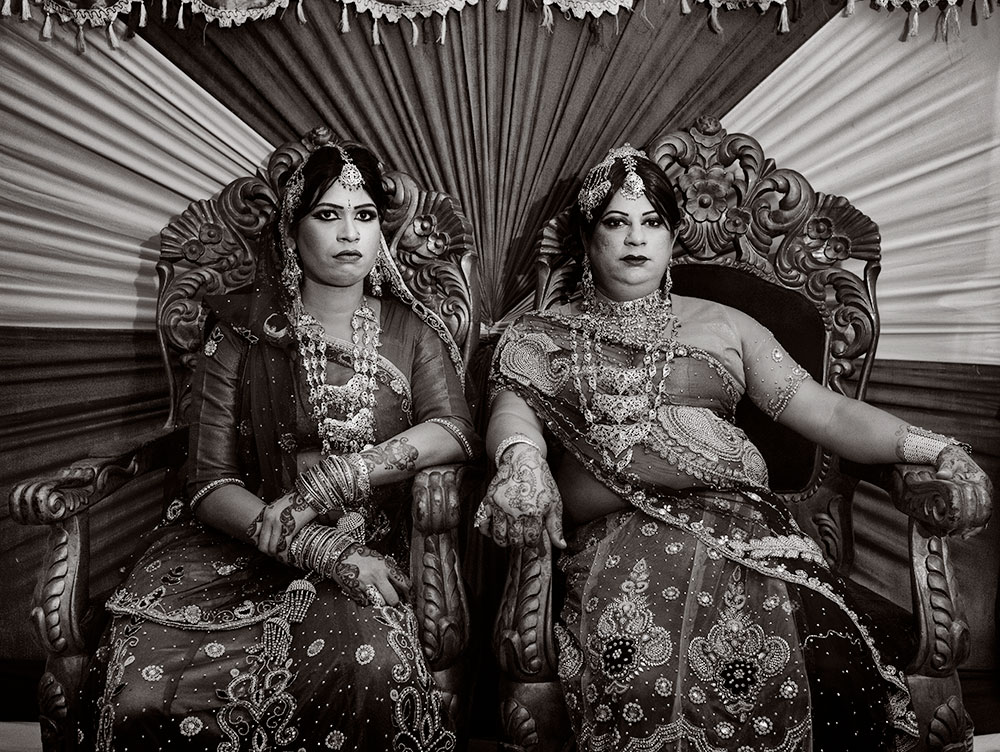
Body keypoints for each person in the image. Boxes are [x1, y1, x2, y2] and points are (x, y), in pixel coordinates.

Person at [477, 145, 991, 751]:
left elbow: (826, 411)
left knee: (823, 662)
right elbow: (513, 416)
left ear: (672, 240)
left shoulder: (724, 325)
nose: (635, 240)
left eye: (652, 224)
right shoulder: (542, 337)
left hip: (745, 530)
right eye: (615, 223)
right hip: (620, 531)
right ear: (588, 242)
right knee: (635, 661)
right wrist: (519, 461)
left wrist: (930, 446)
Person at [85, 142, 479, 751]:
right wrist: (317, 546)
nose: (350, 232)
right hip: (239, 547)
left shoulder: (411, 330)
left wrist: (339, 480)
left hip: (368, 546)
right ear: (292, 233)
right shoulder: (242, 334)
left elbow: (452, 431)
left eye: (366, 215)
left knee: (369, 668)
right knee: (143, 690)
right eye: (327, 215)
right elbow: (210, 483)